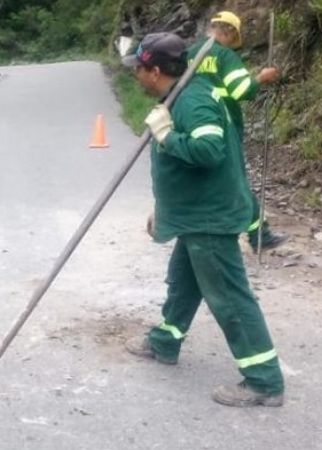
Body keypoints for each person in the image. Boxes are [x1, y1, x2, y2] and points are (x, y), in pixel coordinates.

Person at [121, 32, 285, 407]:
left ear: (156, 70)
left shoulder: (192, 101)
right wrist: (166, 207)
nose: (136, 76)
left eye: (139, 70)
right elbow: (184, 169)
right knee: (183, 281)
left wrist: (166, 136)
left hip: (210, 217)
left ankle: (264, 380)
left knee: (228, 296)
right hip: (194, 212)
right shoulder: (180, 95)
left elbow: (209, 151)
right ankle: (165, 341)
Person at [187, 11, 287, 252]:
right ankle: (258, 235)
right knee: (236, 180)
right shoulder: (224, 55)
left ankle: (203, 226)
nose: (234, 44)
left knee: (206, 178)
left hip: (194, 123)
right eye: (234, 38)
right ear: (230, 32)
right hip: (224, 125)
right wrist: (261, 78)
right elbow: (240, 89)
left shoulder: (191, 54)